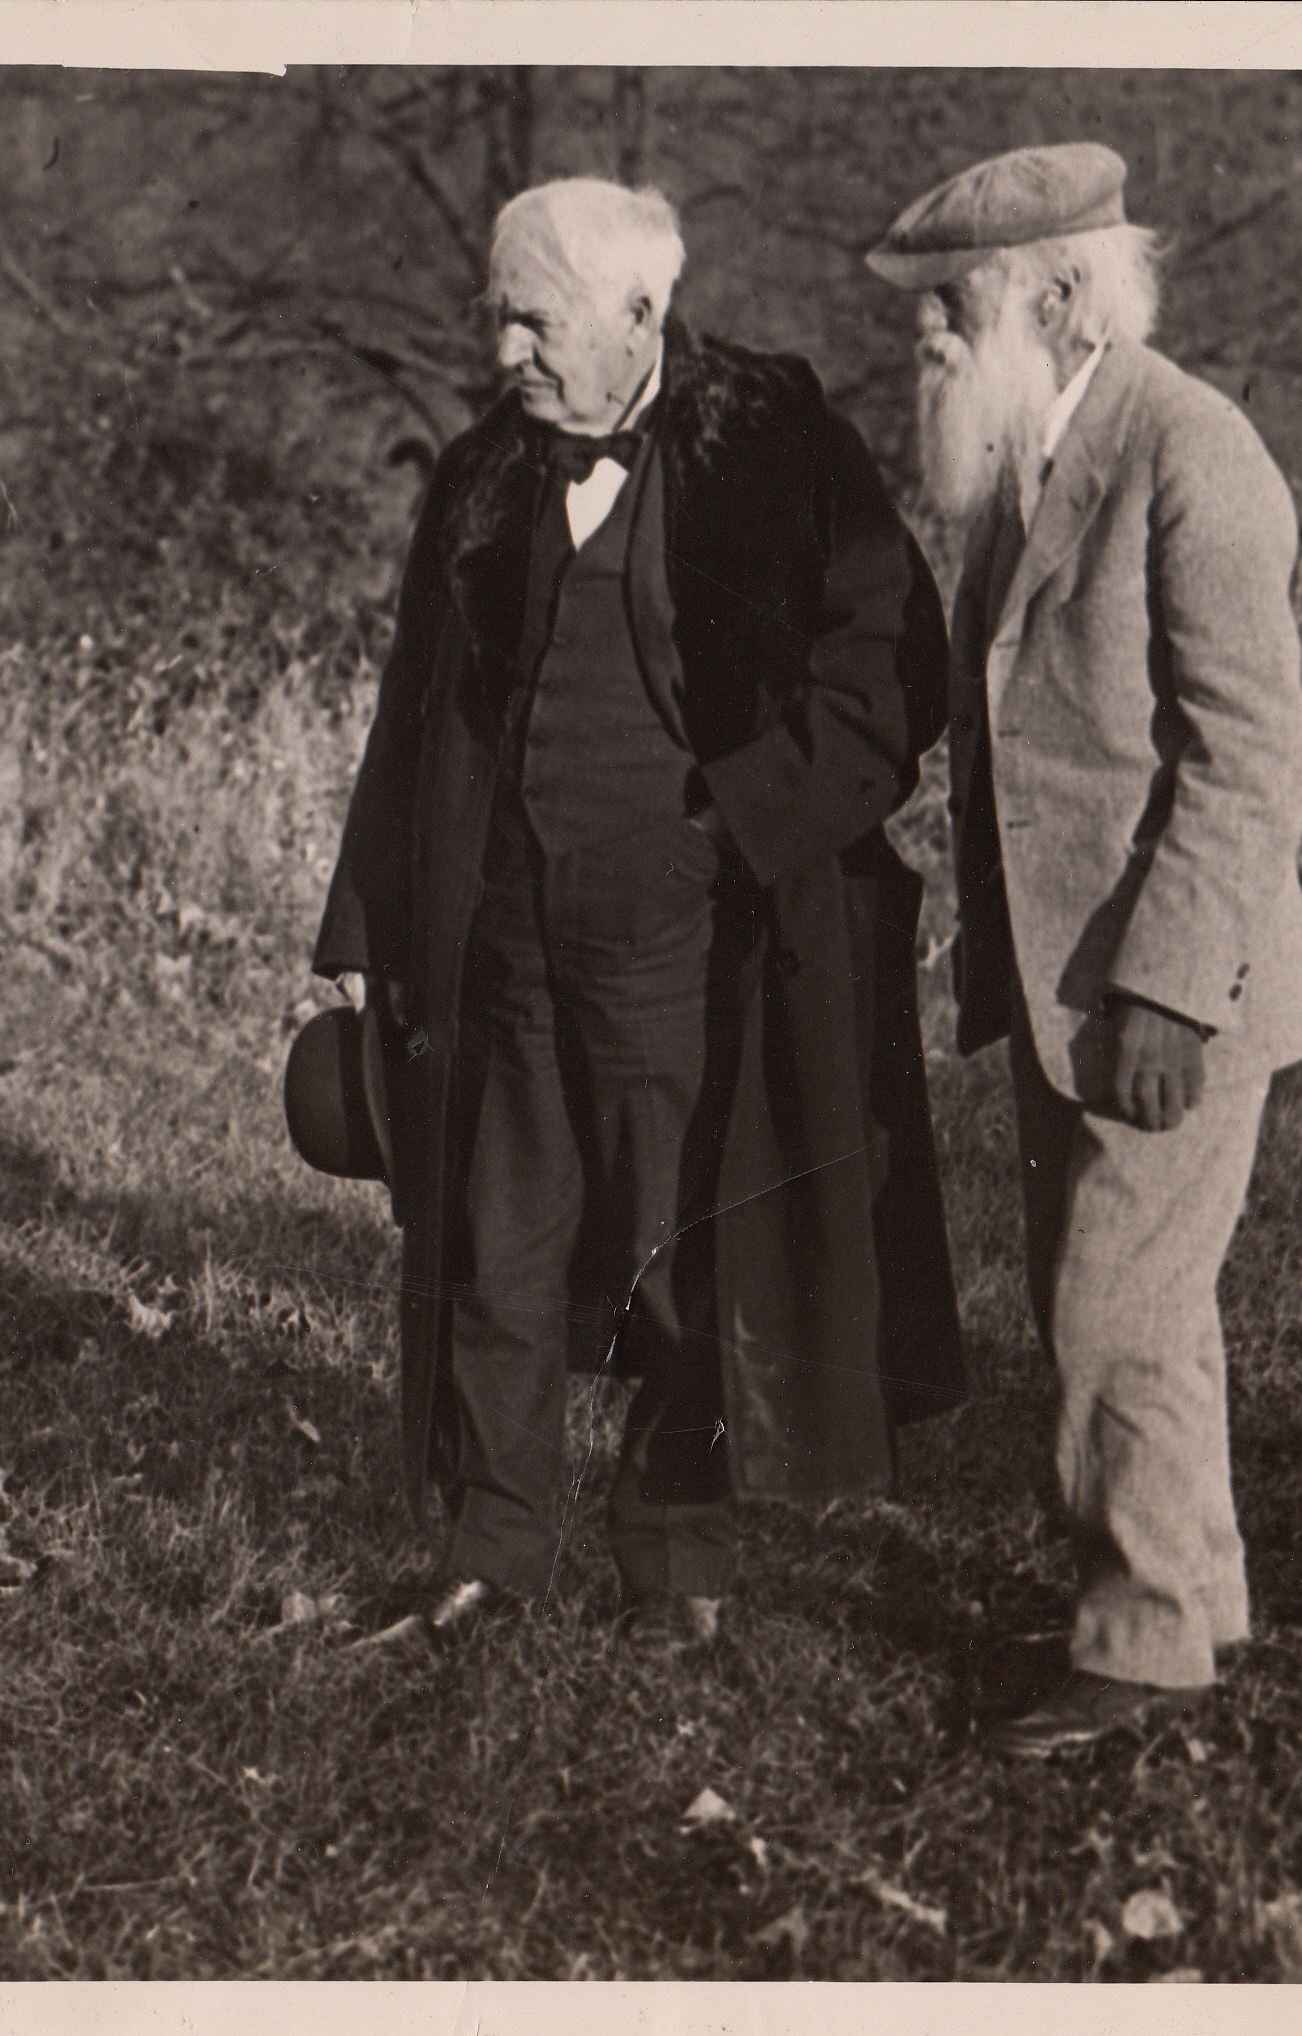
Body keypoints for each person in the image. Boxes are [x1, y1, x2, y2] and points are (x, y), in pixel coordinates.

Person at [313, 177, 965, 1651]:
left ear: (640, 314)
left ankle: (675, 1570)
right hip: (504, 937)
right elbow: (412, 715)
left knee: (687, 1259)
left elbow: (890, 676)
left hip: (696, 943)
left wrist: (734, 826)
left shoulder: (773, 444)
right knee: (496, 1242)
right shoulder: (484, 475)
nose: (506, 354)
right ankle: (492, 1549)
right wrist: (368, 935)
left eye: (536, 322)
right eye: (500, 320)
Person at [864, 143, 1302, 1756]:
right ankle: (1199, 1602)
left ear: (1062, 299)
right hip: (1076, 993)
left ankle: (1133, 1656)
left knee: (1109, 1314)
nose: (926, 337)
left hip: (1163, 997)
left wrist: (1164, 989)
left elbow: (1255, 757)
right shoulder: (1030, 461)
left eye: (952, 306)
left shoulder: (1194, 451)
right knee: (1146, 1309)